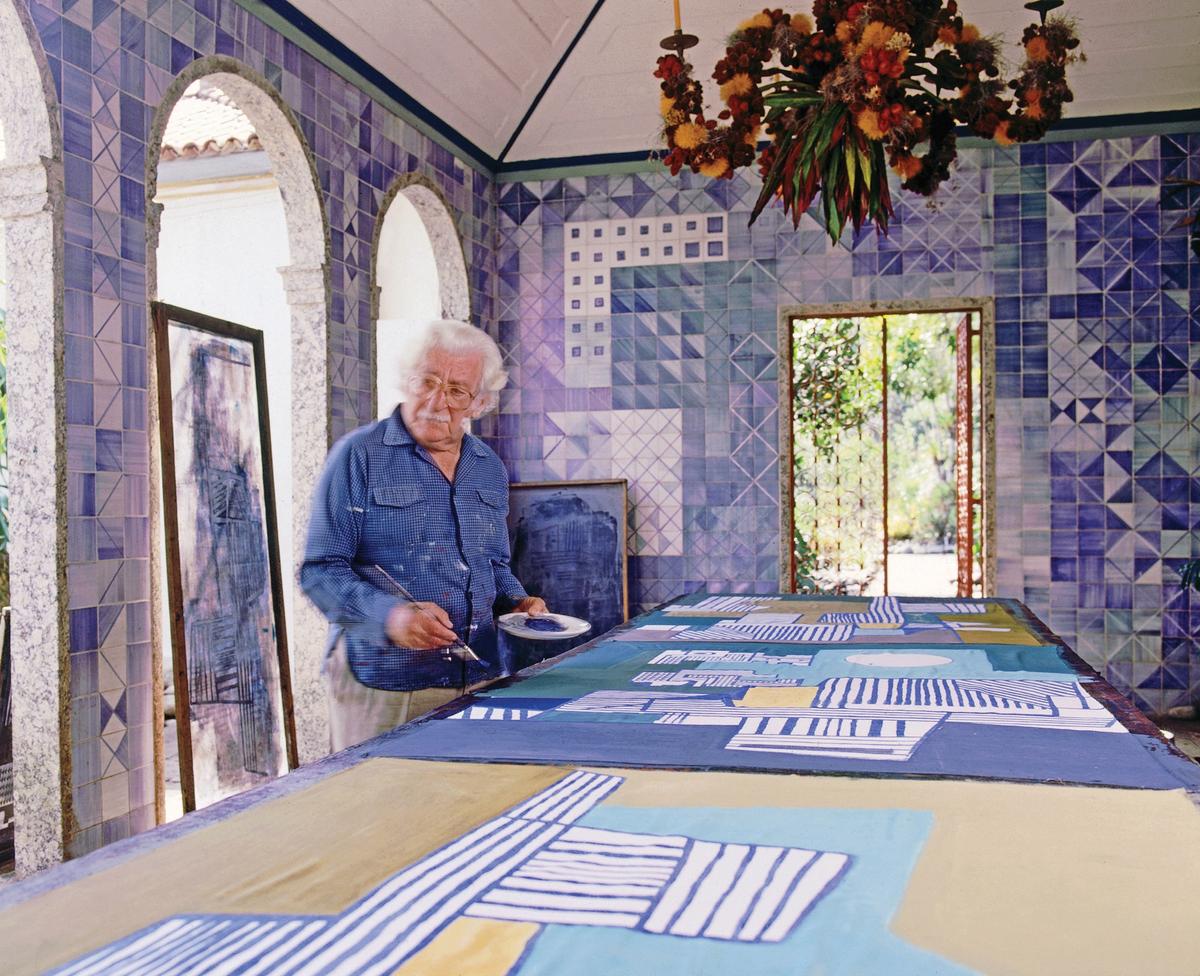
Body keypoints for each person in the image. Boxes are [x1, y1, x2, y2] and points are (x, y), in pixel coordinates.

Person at [301, 319, 547, 750]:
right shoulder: (357, 456)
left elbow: (492, 563)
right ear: (406, 381)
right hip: (384, 681)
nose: (437, 401)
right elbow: (321, 571)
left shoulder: (488, 467)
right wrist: (392, 618)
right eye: (427, 381)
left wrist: (519, 601)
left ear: (479, 402)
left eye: (457, 391)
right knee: (382, 809)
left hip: (478, 676)